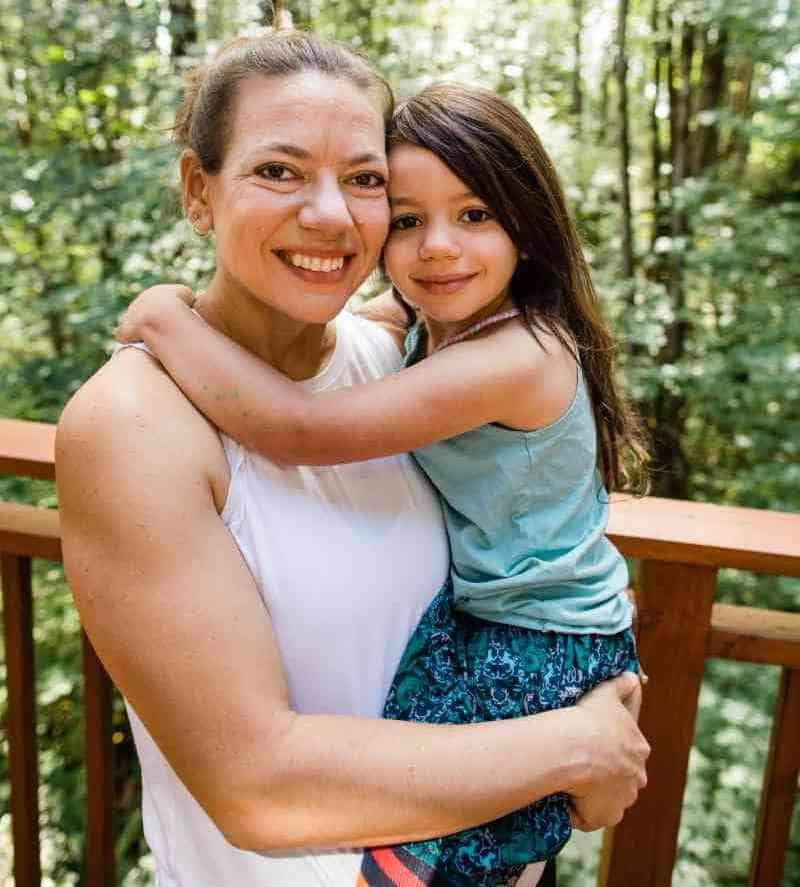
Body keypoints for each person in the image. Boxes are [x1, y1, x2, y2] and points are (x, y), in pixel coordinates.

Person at [58, 31, 649, 887]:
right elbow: (257, 789)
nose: (331, 214)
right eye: (279, 170)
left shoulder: (396, 360)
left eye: (366, 181)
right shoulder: (132, 425)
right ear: (198, 189)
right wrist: (574, 748)